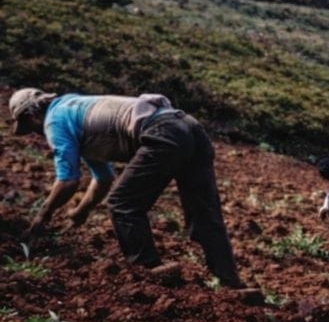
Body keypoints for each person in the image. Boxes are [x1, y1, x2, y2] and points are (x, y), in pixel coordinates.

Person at [8, 88, 248, 289]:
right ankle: (232, 284)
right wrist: (82, 211)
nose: (38, 134)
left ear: (32, 114)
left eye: (30, 126)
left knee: (123, 204)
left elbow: (68, 180)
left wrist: (41, 217)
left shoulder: (54, 120)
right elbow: (103, 178)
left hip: (162, 131)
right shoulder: (74, 110)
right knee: (204, 212)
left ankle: (148, 271)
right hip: (189, 127)